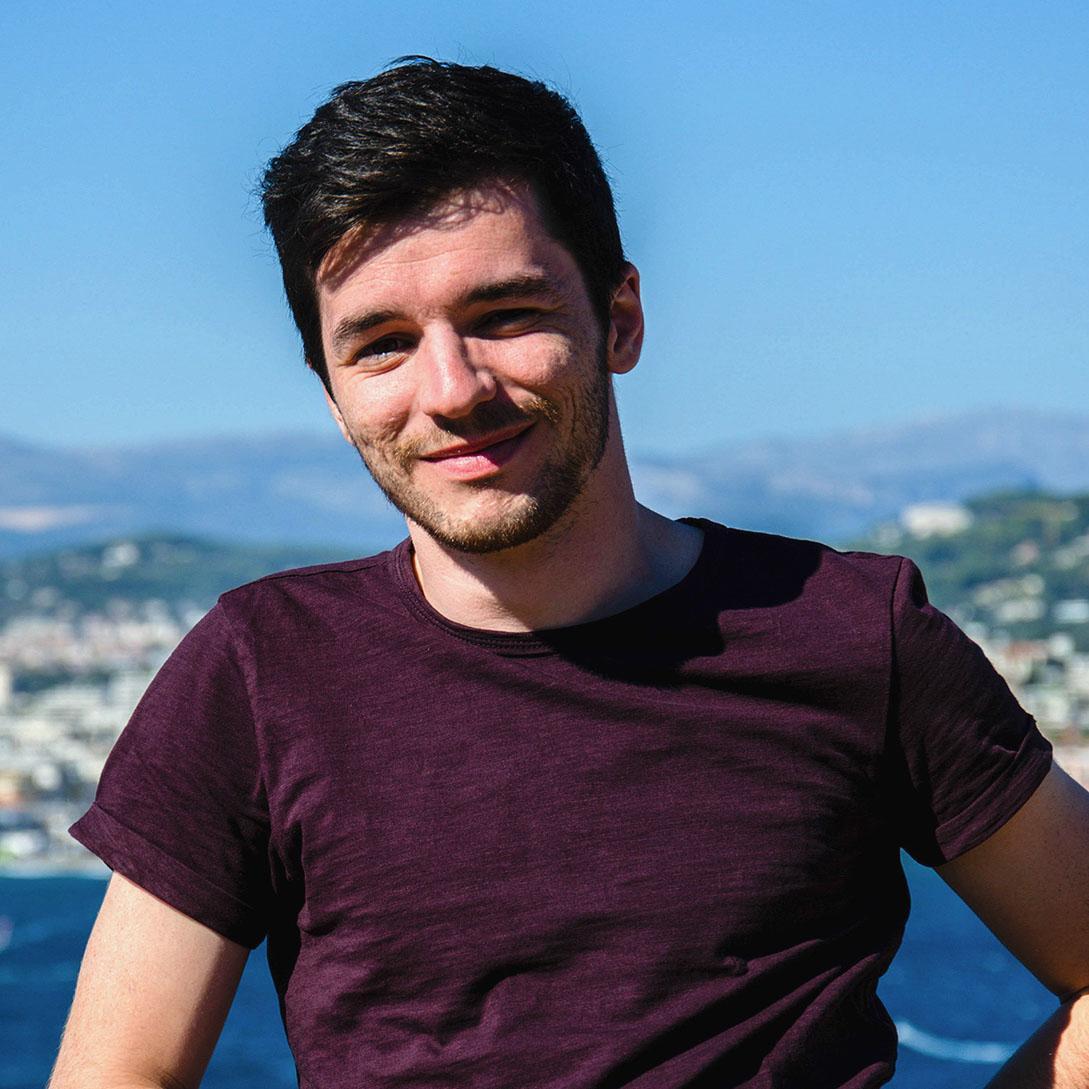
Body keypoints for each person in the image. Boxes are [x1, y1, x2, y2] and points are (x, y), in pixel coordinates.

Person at [50, 59, 1089, 1089]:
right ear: (331, 390)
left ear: (618, 319)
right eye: (382, 345)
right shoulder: (260, 670)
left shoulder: (855, 634)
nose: (452, 390)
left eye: (504, 315)